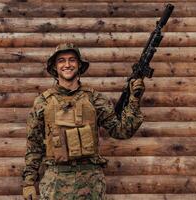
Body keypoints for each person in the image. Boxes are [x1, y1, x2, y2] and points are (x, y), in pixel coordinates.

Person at [22, 43, 145, 200]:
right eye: (61, 60)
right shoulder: (42, 102)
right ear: (54, 66)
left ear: (79, 65)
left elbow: (121, 131)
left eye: (72, 60)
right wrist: (28, 183)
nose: (67, 65)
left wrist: (134, 99)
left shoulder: (95, 99)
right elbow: (34, 145)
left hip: (91, 183)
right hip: (55, 182)